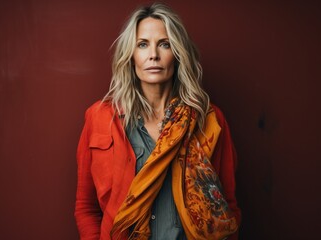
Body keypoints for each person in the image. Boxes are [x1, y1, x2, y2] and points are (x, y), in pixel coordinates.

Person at [75, 3, 241, 240]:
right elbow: (86, 207)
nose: (153, 54)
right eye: (142, 44)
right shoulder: (100, 118)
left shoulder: (209, 120)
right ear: (131, 56)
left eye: (164, 44)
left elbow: (227, 206)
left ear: (178, 53)